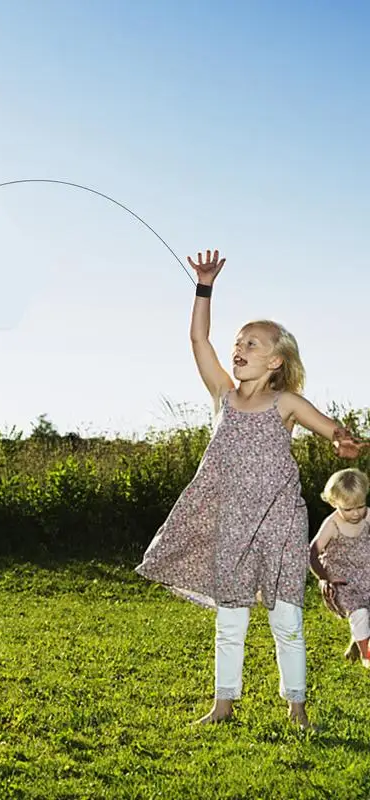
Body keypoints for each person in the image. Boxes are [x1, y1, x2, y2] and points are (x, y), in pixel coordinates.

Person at [136, 249, 363, 730]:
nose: (239, 349)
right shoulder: (222, 395)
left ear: (276, 361)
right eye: (238, 342)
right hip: (233, 524)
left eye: (252, 344)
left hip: (280, 525)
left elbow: (329, 429)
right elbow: (198, 338)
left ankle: (297, 709)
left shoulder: (287, 401)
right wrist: (204, 287)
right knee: (231, 621)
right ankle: (223, 706)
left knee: (286, 621)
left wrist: (343, 440)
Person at [309, 468, 370, 666]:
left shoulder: (368, 516)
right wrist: (324, 577)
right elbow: (312, 552)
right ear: (334, 503)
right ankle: (366, 656)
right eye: (348, 509)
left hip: (366, 573)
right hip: (342, 580)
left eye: (360, 506)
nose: (355, 513)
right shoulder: (332, 524)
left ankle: (358, 640)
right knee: (359, 613)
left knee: (365, 617)